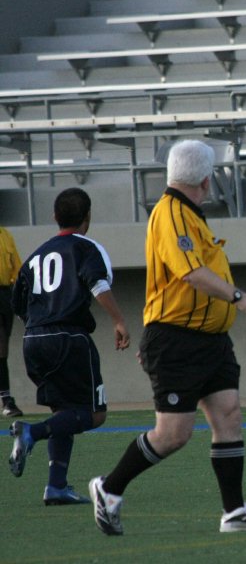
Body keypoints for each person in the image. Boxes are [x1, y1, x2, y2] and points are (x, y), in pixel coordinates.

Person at [88, 139, 246, 536]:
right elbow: (191, 273)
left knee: (229, 417)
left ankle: (234, 512)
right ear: (207, 181)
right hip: (177, 340)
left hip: (210, 341)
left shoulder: (189, 215)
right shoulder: (171, 213)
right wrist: (241, 298)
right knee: (173, 434)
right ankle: (108, 488)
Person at [8, 188, 130, 506]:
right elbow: (98, 283)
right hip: (69, 337)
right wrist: (119, 320)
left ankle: (56, 486)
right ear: (88, 217)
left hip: (33, 338)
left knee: (64, 410)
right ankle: (30, 432)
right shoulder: (87, 248)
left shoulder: (35, 256)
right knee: (94, 414)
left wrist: (39, 325)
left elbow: (17, 302)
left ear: (54, 217)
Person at [0, 225, 23, 417]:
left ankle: (6, 399)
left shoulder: (5, 235)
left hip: (4, 294)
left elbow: (17, 269)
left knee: (2, 350)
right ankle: (6, 399)